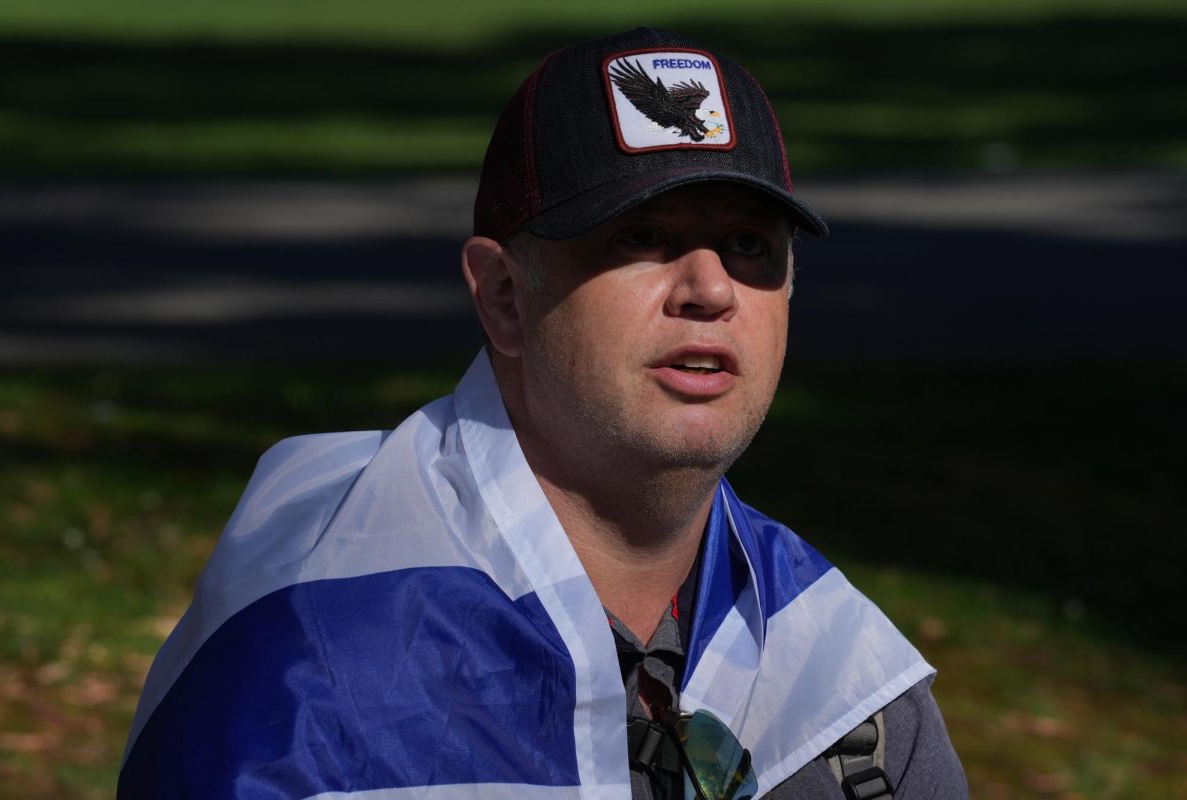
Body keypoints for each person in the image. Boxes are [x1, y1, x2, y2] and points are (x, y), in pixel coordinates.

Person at [119, 27, 966, 800]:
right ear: (503, 297)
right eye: (641, 237)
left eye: (750, 246)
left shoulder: (852, 697)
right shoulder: (316, 662)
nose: (710, 290)